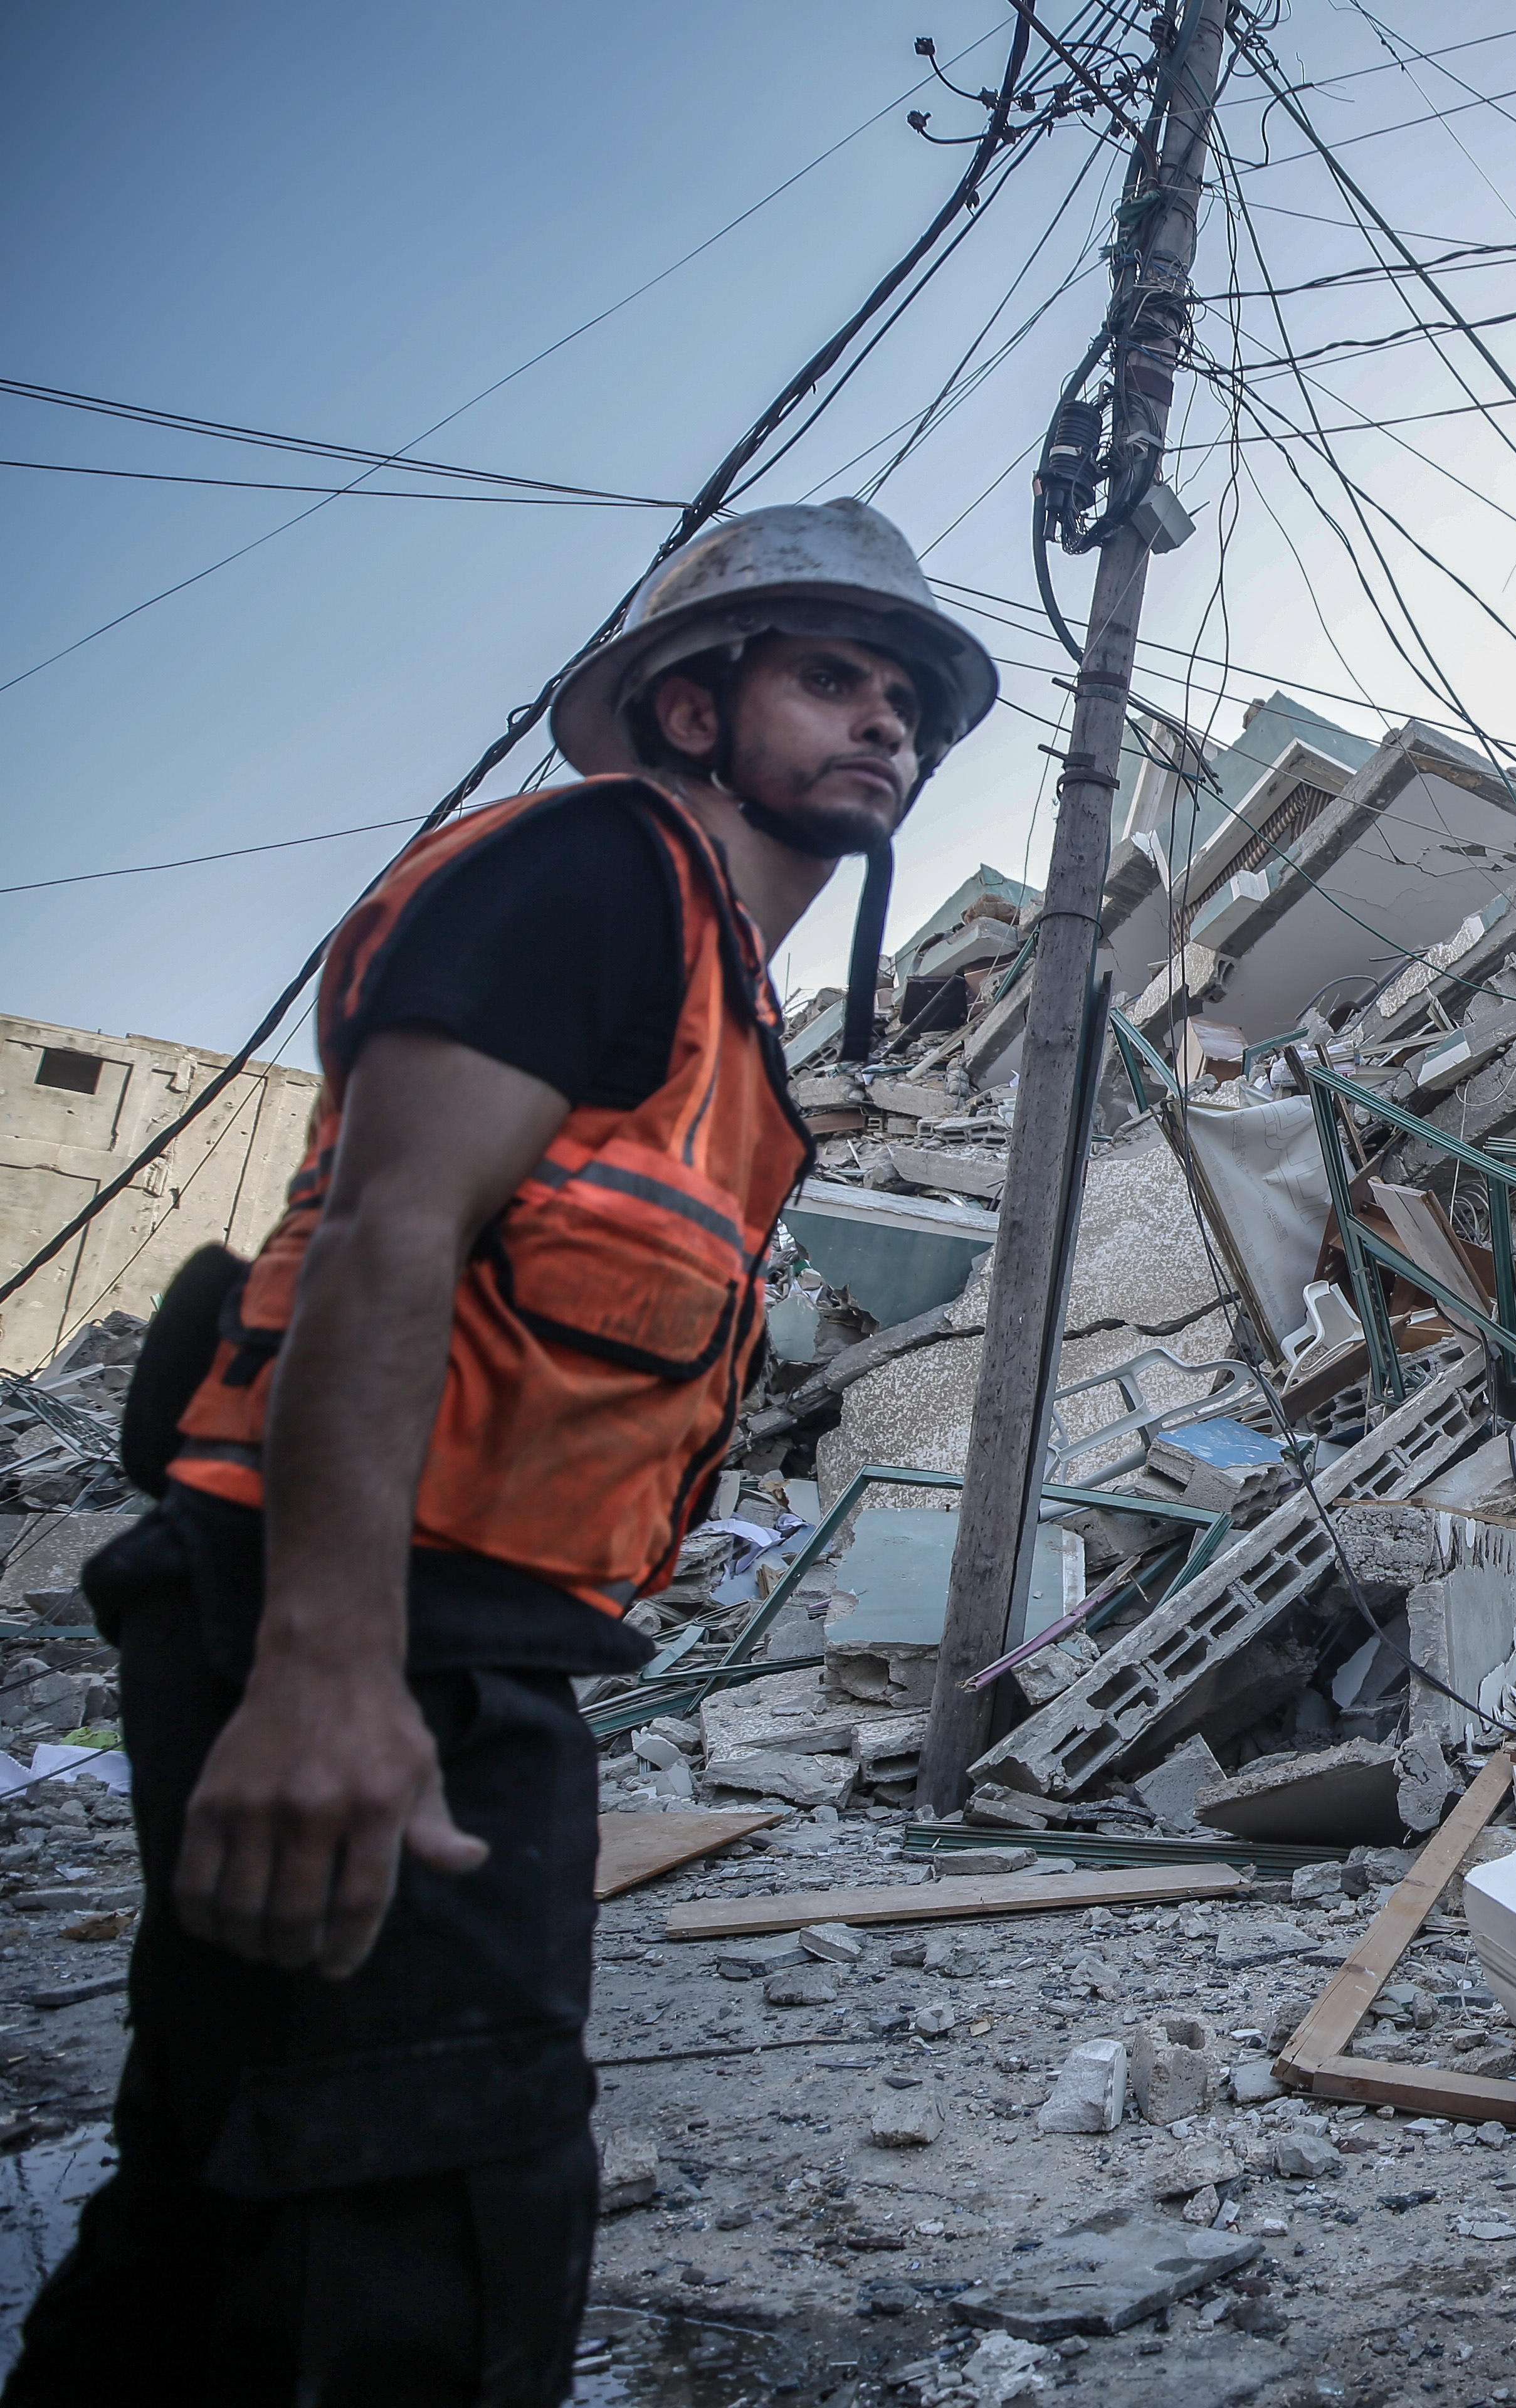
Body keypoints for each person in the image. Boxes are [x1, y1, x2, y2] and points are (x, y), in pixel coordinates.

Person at [7, 499, 996, 2405]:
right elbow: (389, 1238)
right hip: (367, 1625)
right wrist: (326, 1675)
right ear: (693, 713)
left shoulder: (720, 987)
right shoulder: (597, 871)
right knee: (439, 2214)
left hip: (448, 1624)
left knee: (233, 2199)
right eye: (827, 675)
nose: (882, 721)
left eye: (903, 696)